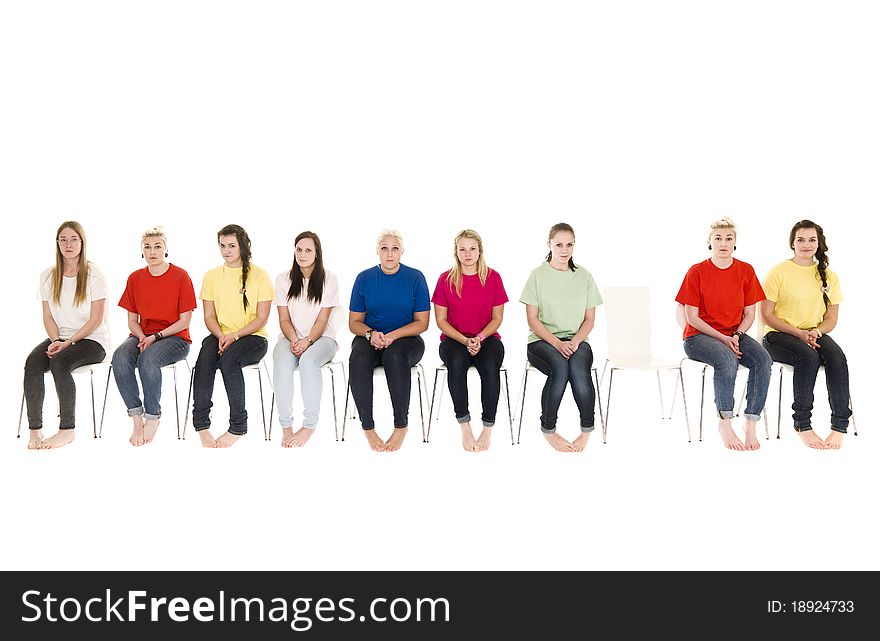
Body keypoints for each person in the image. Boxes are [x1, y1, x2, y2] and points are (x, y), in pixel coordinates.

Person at [675, 217, 772, 451]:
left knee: (763, 360)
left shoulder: (746, 270)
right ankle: (725, 422)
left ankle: (751, 422)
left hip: (734, 334)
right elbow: (692, 318)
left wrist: (737, 335)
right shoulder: (696, 271)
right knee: (726, 359)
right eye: (717, 238)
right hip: (698, 337)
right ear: (709, 242)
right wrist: (724, 339)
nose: (723, 243)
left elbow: (749, 313)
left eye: (729, 238)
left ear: (735, 243)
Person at [761, 220, 851, 449]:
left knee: (837, 357)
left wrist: (815, 332)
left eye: (812, 240)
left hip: (813, 333)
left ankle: (839, 425)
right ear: (792, 242)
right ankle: (802, 424)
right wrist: (798, 333)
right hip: (778, 335)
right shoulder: (778, 272)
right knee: (808, 358)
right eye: (800, 239)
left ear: (818, 243)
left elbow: (831, 318)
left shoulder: (830, 277)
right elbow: (767, 316)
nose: (806, 244)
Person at [24, 221, 109, 449]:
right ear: (57, 244)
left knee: (60, 362)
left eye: (73, 239)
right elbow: (48, 317)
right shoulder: (47, 276)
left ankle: (67, 430)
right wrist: (55, 341)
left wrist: (68, 343)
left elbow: (95, 319)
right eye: (63, 239)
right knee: (32, 362)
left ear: (82, 243)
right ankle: (35, 430)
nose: (68, 244)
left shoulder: (94, 275)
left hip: (91, 340)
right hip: (59, 337)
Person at [519, 222, 602, 452]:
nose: (564, 250)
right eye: (559, 245)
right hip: (541, 341)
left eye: (569, 245)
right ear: (549, 245)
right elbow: (533, 320)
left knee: (578, 370)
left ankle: (586, 431)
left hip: (577, 340)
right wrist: (557, 343)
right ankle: (549, 429)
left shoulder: (584, 276)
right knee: (560, 368)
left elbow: (589, 320)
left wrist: (574, 342)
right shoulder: (537, 276)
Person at [111, 226, 196, 446]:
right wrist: (142, 337)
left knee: (148, 359)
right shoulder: (135, 278)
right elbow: (132, 320)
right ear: (142, 251)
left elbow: (184, 321)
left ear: (166, 249)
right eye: (147, 247)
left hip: (175, 338)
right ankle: (136, 417)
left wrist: (155, 337)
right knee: (120, 356)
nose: (152, 251)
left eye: (158, 246)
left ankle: (153, 416)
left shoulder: (181, 276)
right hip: (142, 334)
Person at [191, 224, 273, 448]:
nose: (226, 250)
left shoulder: (260, 276)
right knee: (205, 361)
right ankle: (201, 424)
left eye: (231, 245)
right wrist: (221, 336)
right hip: (220, 334)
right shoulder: (211, 276)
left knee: (229, 361)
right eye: (222, 246)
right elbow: (209, 316)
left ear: (243, 246)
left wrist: (234, 336)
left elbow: (262, 318)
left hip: (253, 338)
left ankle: (238, 426)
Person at [348, 229, 430, 452]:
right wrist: (371, 334)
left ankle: (400, 425)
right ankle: (368, 427)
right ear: (377, 251)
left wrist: (393, 336)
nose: (390, 253)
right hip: (371, 336)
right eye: (384, 248)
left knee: (394, 356)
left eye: (395, 248)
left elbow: (422, 323)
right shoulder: (364, 278)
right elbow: (354, 322)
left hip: (406, 339)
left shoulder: (415, 277)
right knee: (358, 357)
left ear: (402, 251)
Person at [431, 229, 508, 452]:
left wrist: (480, 337)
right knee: (456, 364)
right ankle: (465, 427)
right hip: (455, 338)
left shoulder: (493, 277)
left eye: (472, 249)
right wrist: (465, 340)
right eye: (462, 249)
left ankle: (487, 428)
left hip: (487, 337)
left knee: (490, 366)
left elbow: (497, 317)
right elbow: (441, 320)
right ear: (456, 252)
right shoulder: (445, 279)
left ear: (479, 251)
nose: (467, 254)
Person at [272, 231, 340, 448]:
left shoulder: (329, 279)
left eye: (308, 250)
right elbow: (283, 318)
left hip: (322, 339)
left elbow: (322, 320)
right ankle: (286, 425)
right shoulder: (283, 279)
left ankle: (309, 424)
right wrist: (293, 339)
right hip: (290, 337)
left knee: (309, 362)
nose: (302, 254)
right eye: (299, 249)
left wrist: (307, 341)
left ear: (317, 253)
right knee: (282, 363)